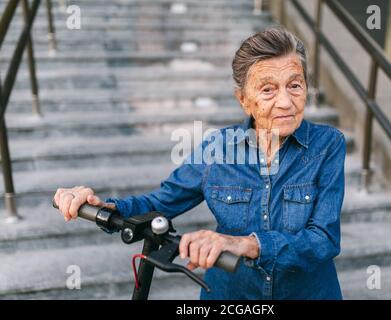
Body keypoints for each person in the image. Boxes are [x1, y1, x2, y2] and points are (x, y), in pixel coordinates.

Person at [53, 26, 346, 299]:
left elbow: (322, 239)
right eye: (268, 89)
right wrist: (101, 206)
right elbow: (159, 203)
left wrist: (245, 244)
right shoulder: (217, 148)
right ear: (244, 100)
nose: (285, 101)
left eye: (295, 85)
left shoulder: (328, 145)